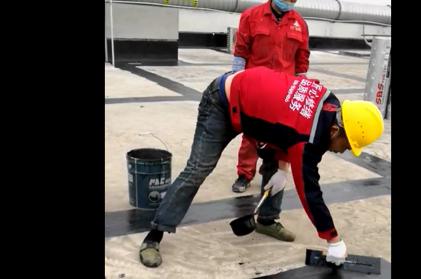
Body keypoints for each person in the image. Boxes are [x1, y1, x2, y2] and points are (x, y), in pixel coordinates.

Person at [139, 66, 384, 268]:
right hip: (222, 102)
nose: (344, 151)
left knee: (274, 159)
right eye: (347, 145)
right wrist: (333, 238)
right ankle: (155, 235)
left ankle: (266, 220)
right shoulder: (308, 138)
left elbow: (286, 131)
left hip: (256, 114)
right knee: (198, 168)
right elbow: (310, 191)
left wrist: (281, 168)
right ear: (335, 130)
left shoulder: (331, 106)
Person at [231, 0, 309, 194]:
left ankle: (271, 168)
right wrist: (236, 78)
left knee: (279, 133)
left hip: (285, 89)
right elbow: (241, 51)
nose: (290, 2)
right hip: (255, 86)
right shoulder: (251, 16)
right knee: (251, 131)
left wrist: (301, 84)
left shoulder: (300, 23)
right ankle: (244, 174)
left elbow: (301, 60)